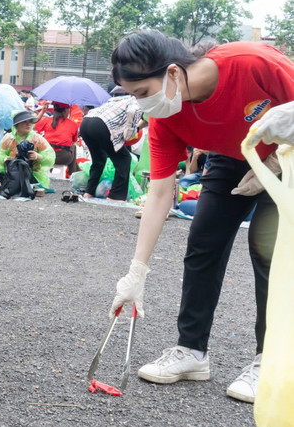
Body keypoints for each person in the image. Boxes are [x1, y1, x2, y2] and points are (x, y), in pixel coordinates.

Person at [108, 31, 294, 404]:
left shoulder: (251, 63)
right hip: (233, 154)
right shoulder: (167, 116)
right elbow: (160, 193)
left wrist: (276, 158)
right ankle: (191, 351)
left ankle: (271, 361)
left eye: (143, 92)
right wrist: (136, 271)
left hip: (287, 154)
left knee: (268, 250)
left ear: (173, 73)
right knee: (203, 241)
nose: (142, 105)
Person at [79, 95, 143, 202]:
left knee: (99, 160)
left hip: (86, 123)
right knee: (124, 158)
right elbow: (128, 135)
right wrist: (138, 127)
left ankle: (89, 192)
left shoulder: (122, 99)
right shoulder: (139, 105)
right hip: (101, 125)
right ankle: (115, 196)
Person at [0, 109, 56, 188]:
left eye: (30, 121)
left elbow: (50, 158)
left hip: (32, 174)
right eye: (24, 122)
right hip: (12, 172)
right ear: (16, 125)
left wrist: (38, 156)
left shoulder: (37, 138)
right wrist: (5, 159)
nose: (28, 124)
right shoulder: (8, 138)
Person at [34, 102, 80, 174]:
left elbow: (33, 126)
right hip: (64, 158)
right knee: (73, 147)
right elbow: (74, 141)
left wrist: (42, 111)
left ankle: (73, 172)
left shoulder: (47, 120)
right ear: (65, 110)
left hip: (46, 156)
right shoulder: (73, 124)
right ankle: (73, 173)